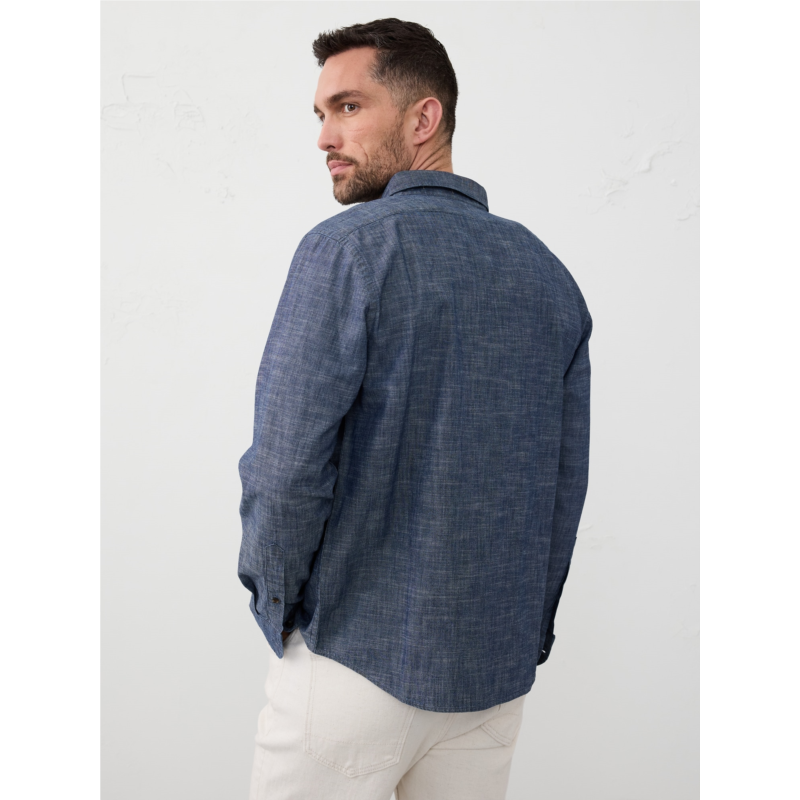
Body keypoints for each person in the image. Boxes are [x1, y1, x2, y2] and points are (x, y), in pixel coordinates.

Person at [238, 18, 592, 800]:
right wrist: (523, 632)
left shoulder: (346, 249)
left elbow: (286, 468)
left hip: (351, 663)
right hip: (490, 683)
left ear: (424, 117)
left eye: (349, 107)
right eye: (321, 114)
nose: (325, 136)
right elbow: (563, 489)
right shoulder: (548, 275)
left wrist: (280, 608)